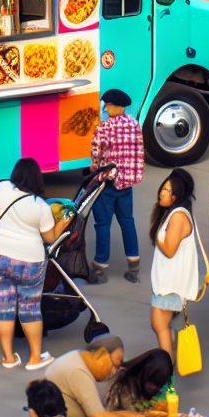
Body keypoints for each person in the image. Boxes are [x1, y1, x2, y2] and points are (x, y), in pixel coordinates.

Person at [0, 157, 70, 369]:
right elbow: (50, 238)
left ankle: (8, 358)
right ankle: (34, 358)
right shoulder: (40, 206)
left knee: (3, 305)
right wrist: (62, 224)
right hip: (28, 262)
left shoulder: (1, 188)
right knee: (30, 309)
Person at [45, 335, 146, 417]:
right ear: (102, 353)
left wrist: (126, 416)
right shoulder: (78, 373)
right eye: (114, 365)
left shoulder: (75, 356)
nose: (113, 371)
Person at [89, 88, 144, 283]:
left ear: (112, 106)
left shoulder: (105, 127)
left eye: (106, 105)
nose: (105, 109)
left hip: (108, 185)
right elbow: (138, 151)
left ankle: (99, 267)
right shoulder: (134, 125)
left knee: (103, 223)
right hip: (127, 183)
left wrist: (94, 166)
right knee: (127, 220)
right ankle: (133, 263)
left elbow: (96, 152)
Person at [149, 168, 200, 355]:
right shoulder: (172, 213)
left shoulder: (178, 217)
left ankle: (166, 377)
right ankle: (167, 362)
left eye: (167, 190)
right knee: (161, 326)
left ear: (176, 196)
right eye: (163, 187)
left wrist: (157, 237)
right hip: (166, 284)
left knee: (159, 326)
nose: (162, 192)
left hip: (170, 286)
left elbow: (169, 250)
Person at [105, 349, 173, 413]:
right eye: (150, 381)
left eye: (158, 384)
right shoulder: (124, 383)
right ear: (143, 373)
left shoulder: (165, 386)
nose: (153, 387)